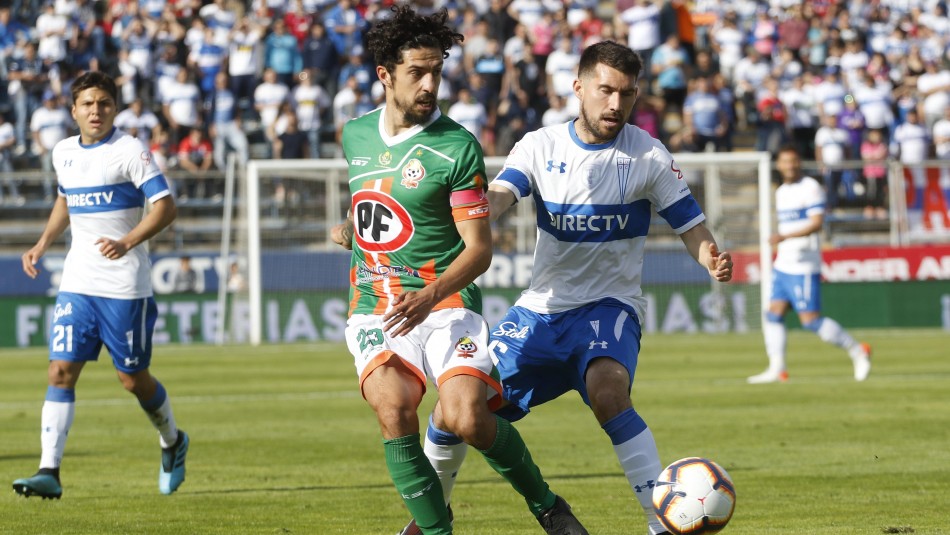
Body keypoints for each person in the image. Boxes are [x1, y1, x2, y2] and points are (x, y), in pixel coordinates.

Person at [401, 40, 735, 535]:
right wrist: (474, 215)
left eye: (627, 94)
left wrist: (710, 256)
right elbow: (499, 194)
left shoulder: (648, 155)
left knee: (608, 389)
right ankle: (429, 518)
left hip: (609, 306)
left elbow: (690, 225)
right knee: (459, 410)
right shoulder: (540, 146)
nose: (616, 105)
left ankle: (660, 523)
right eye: (605, 91)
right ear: (578, 87)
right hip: (540, 311)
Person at [329, 6, 587, 535]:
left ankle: (547, 506)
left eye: (436, 72)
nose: (430, 84)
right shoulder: (354, 136)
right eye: (417, 73)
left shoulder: (456, 146)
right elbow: (378, 206)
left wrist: (430, 294)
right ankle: (437, 530)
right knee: (393, 406)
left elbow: (479, 250)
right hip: (377, 304)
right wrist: (352, 229)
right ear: (385, 75)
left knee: (468, 418)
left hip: (445, 302)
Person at [12, 71, 188, 499]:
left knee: (132, 379)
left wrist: (128, 241)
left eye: (104, 103)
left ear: (115, 108)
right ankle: (49, 472)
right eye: (88, 104)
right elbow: (66, 199)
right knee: (60, 370)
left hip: (125, 284)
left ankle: (172, 440)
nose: (96, 111)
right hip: (78, 279)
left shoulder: (129, 151)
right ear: (73, 110)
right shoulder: (63, 152)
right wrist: (42, 242)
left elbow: (165, 209)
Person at [747, 144, 872, 384]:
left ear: (799, 163)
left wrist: (785, 237)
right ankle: (777, 368)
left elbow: (816, 223)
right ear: (779, 165)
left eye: (793, 161)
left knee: (811, 321)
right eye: (785, 161)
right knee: (773, 314)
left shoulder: (811, 187)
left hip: (804, 264)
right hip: (784, 263)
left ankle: (858, 350)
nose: (789, 165)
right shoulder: (781, 190)